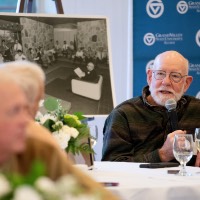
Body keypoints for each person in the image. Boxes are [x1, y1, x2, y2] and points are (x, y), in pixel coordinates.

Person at [0, 62, 118, 200]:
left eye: (27, 108)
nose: (26, 120)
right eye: (15, 110)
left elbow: (86, 187)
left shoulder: (37, 142)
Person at [102, 50, 200, 167]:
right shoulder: (124, 114)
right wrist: (162, 154)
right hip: (140, 184)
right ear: (149, 77)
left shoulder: (196, 109)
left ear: (187, 83)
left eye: (175, 76)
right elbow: (111, 166)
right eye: (160, 74)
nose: (166, 82)